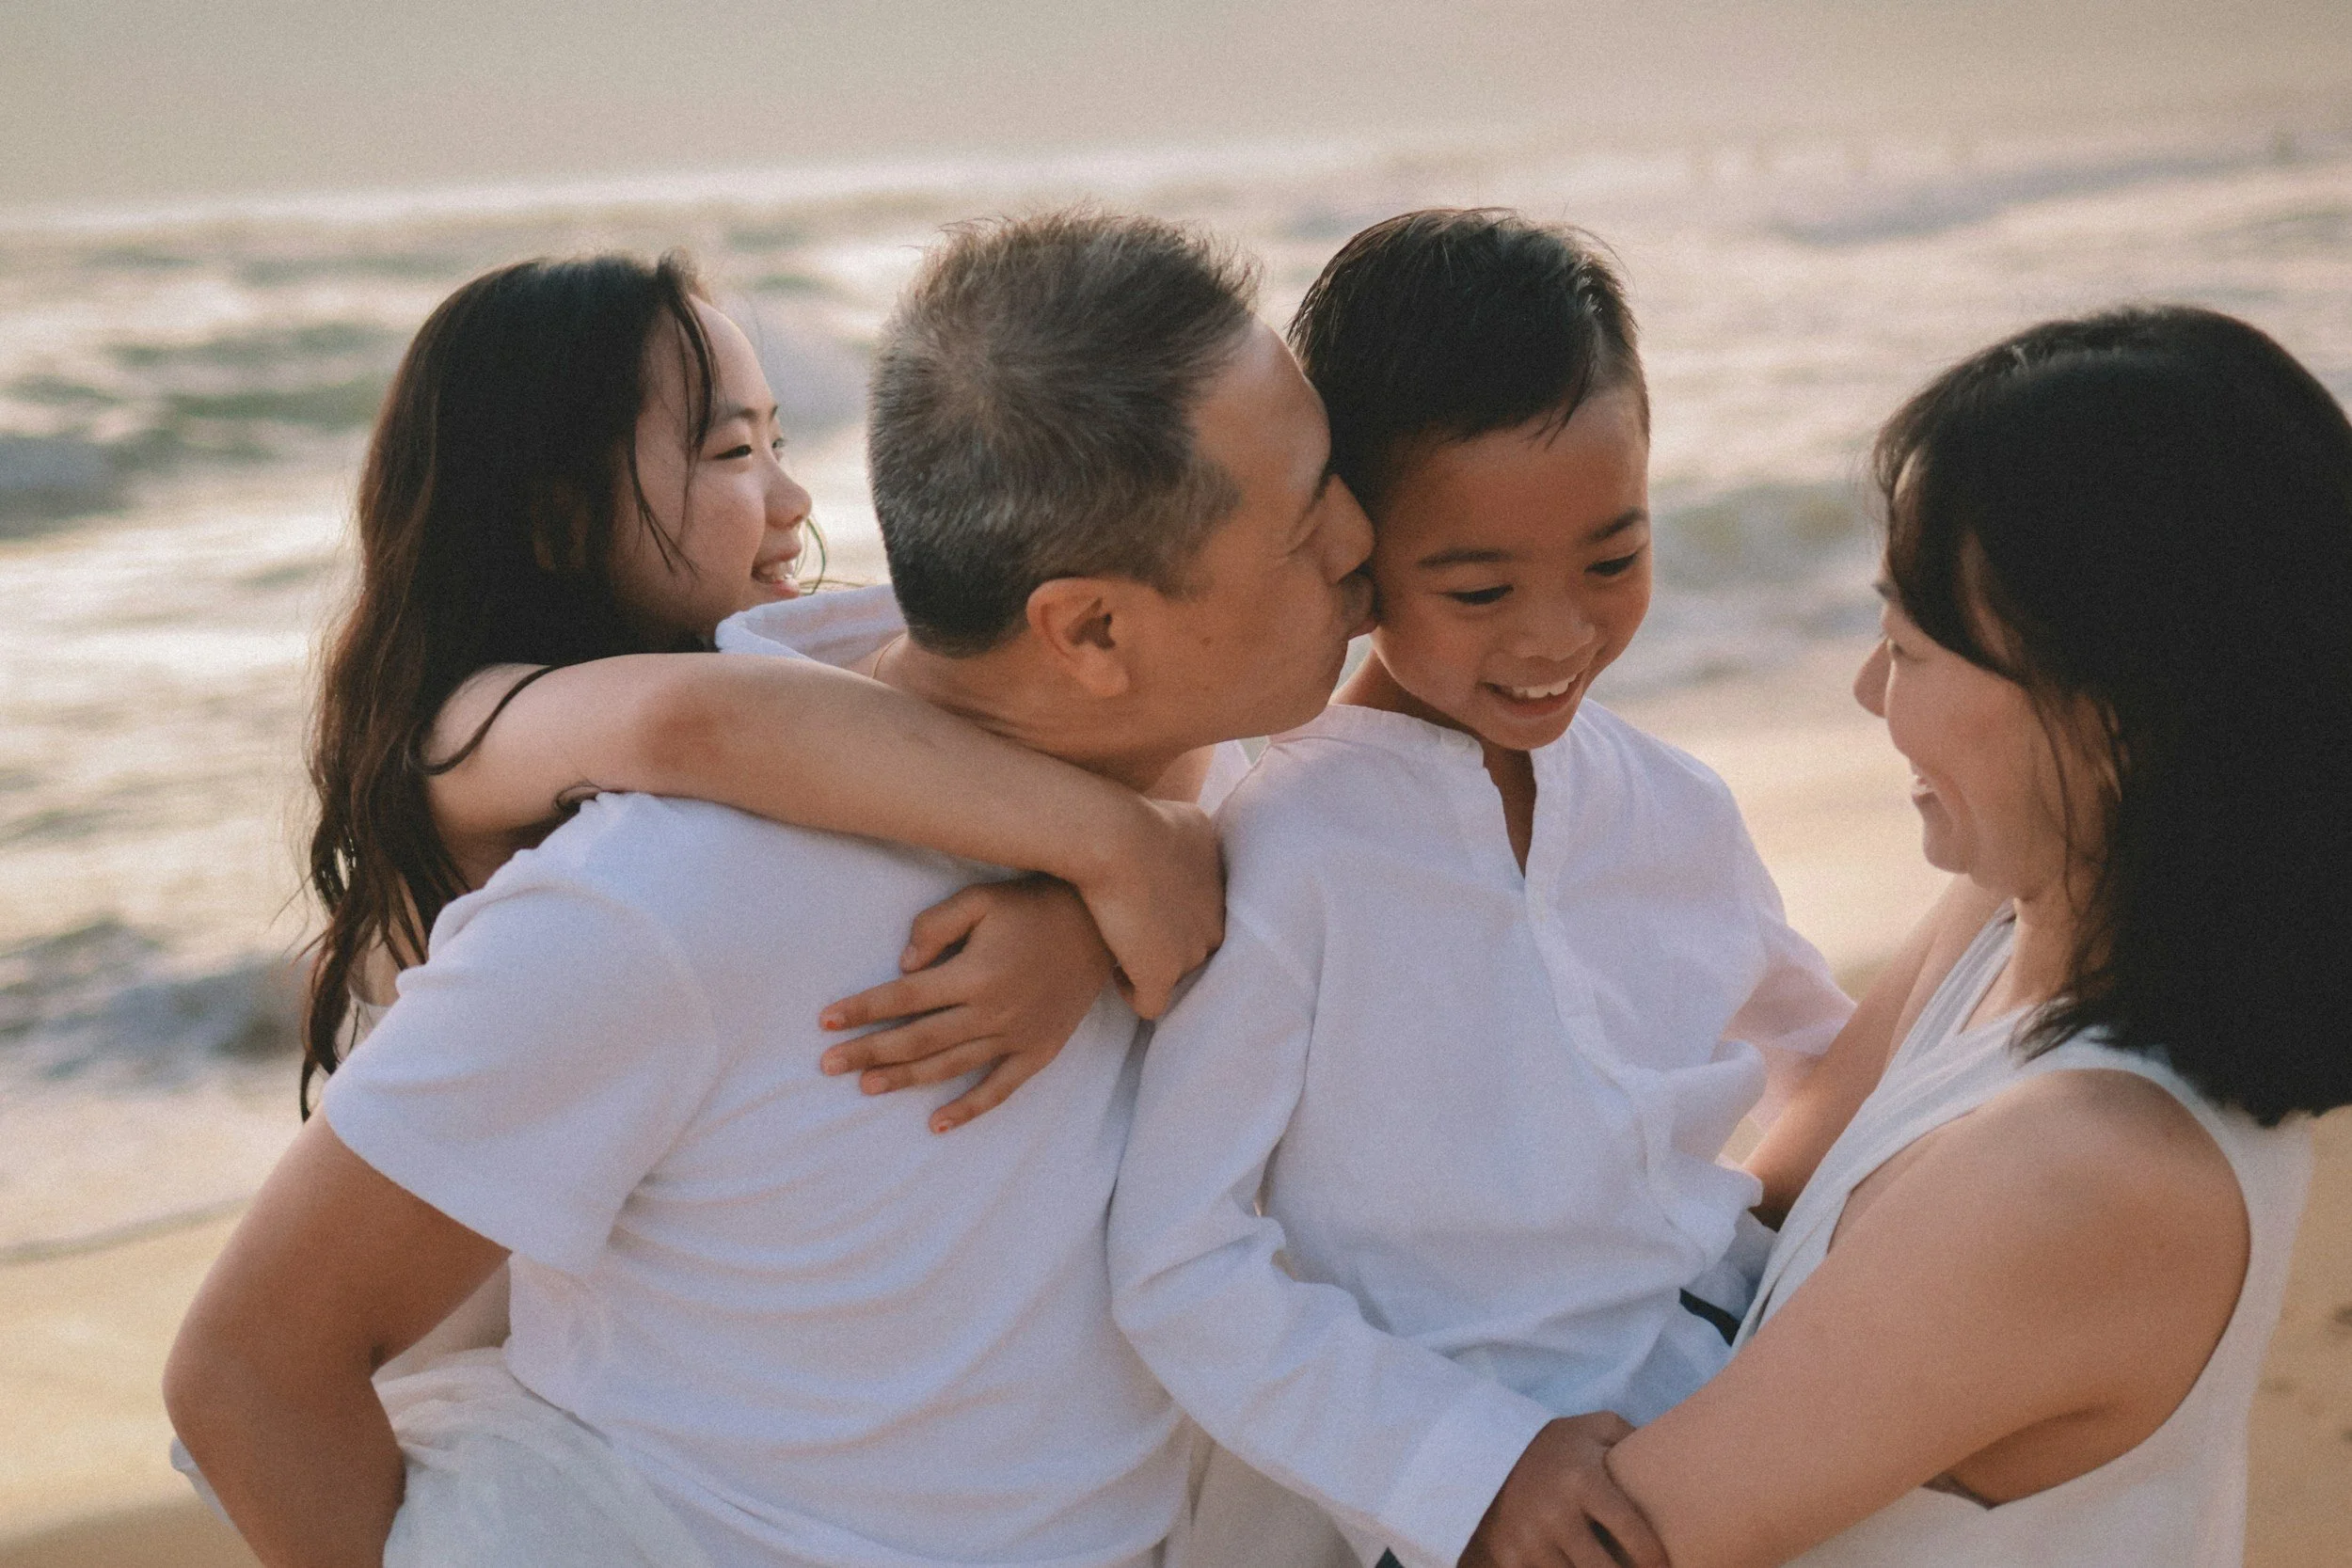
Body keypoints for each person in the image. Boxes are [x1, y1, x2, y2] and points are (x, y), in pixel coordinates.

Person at [164, 210, 1375, 1568]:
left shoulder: (1241, 770)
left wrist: (1096, 893)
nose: (1366, 541)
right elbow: (246, 1377)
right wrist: (1115, 855)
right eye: (1308, 521)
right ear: (1089, 626)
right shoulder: (652, 879)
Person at [1107, 210, 1854, 1568]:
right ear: (1350, 546)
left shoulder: (1675, 802)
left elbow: (1826, 1057)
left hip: (1731, 1414)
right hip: (1457, 1509)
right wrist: (1472, 1465)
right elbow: (1178, 1260)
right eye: (1477, 583)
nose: (1556, 633)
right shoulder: (1296, 847)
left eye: (1614, 560)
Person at [1597, 305, 2352, 1567]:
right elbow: (1743, 1231)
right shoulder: (2019, 919)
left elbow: (1612, 1538)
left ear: (2112, 715)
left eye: (1907, 646)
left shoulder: (2089, 1175)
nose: (1865, 690)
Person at [305, 250, 1228, 1142]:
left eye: (777, 441)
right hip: (484, 1294)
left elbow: (1123, 695)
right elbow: (691, 721)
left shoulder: (787, 697)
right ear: (559, 520)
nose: (792, 499)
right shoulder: (470, 728)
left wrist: (1072, 926)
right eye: (733, 449)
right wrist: (1117, 844)